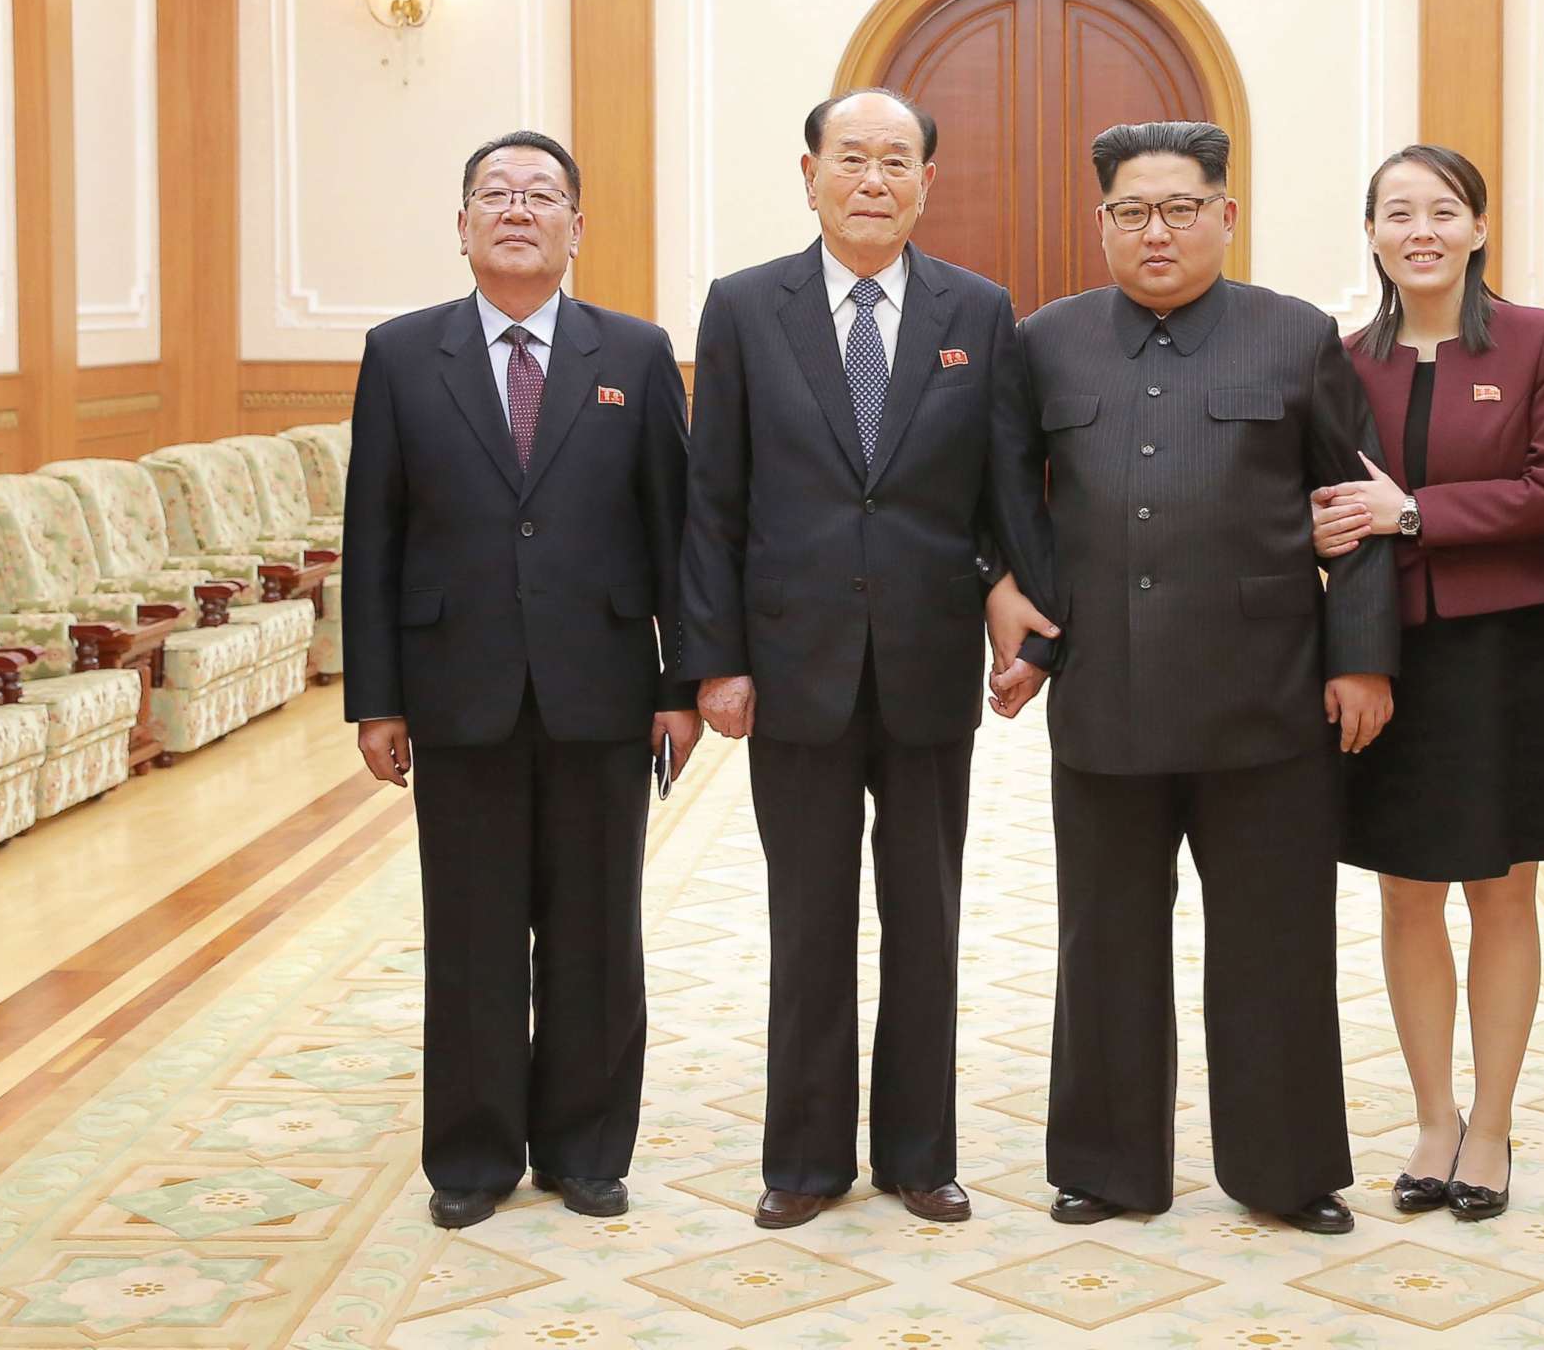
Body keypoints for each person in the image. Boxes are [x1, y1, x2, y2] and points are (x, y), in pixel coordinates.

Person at [1000, 119, 1398, 1236]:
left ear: (1227, 215)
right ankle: (1107, 1166)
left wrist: (1362, 660)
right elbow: (1004, 502)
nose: (1157, 230)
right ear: (1103, 224)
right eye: (1133, 211)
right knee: (1106, 943)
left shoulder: (1295, 337)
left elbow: (1359, 512)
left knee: (1275, 945)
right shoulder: (1049, 342)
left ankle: (1288, 1171)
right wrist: (1008, 601)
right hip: (1106, 704)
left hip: (1266, 700)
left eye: (1181, 208)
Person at [681, 88, 1061, 1231]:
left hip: (926, 661)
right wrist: (716, 660)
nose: (873, 180)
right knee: (807, 917)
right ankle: (801, 1159)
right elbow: (714, 503)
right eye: (852, 159)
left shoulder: (978, 311)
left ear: (926, 183)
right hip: (791, 664)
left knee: (925, 912)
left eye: (898, 162)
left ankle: (917, 1151)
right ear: (809, 174)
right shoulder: (746, 308)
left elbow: (1007, 489)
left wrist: (1032, 623)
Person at [343, 129, 702, 1230]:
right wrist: (376, 698)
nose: (516, 209)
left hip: (600, 687)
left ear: (576, 228)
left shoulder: (633, 355)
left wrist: (679, 682)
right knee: (471, 932)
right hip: (459, 690)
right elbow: (375, 536)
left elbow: (675, 530)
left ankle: (589, 1150)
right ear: (460, 227)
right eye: (493, 193)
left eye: (541, 195)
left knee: (597, 932)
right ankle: (472, 1156)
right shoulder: (403, 355)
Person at [1307, 144, 1544, 1223]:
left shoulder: (1537, 342)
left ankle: (1496, 1122)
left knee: (1502, 888)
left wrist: (1414, 512)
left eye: (1442, 210)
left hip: (1501, 653)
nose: (1420, 229)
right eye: (1396, 212)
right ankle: (1433, 1120)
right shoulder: (1339, 360)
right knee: (1405, 890)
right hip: (1389, 658)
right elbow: (1324, 500)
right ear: (1372, 233)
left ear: (1478, 227)